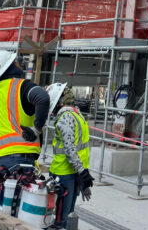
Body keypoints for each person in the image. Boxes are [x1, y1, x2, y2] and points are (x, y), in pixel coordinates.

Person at [0, 50, 50, 171]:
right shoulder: (21, 86)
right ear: (10, 66)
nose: (19, 64)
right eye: (15, 62)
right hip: (20, 160)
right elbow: (43, 98)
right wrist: (36, 129)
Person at [47, 83, 93, 227]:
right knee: (62, 217)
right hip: (64, 172)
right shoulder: (73, 115)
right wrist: (83, 172)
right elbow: (69, 149)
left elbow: (73, 148)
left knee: (67, 214)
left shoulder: (68, 116)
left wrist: (82, 173)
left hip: (69, 171)